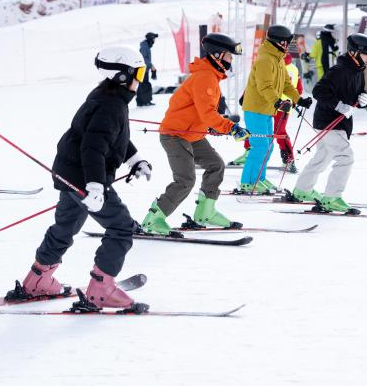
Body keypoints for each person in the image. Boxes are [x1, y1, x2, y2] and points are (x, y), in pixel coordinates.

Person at [16, 45, 153, 310]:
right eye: (139, 72)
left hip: (70, 174)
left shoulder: (108, 96)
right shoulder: (111, 105)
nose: (142, 78)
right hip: (84, 177)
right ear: (122, 76)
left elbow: (114, 137)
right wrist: (95, 186)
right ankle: (101, 289)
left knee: (65, 227)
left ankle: (37, 279)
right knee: (121, 227)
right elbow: (93, 148)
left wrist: (134, 159)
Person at [140, 33, 249, 234]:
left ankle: (205, 211)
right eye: (229, 56)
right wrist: (229, 128)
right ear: (217, 55)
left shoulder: (212, 77)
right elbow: (207, 113)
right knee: (185, 179)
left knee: (216, 165)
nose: (231, 60)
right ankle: (153, 219)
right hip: (175, 135)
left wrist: (212, 127)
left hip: (193, 135)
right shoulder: (205, 77)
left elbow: (202, 113)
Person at [290, 33, 367, 214]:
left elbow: (356, 96)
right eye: (365, 54)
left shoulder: (357, 72)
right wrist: (339, 106)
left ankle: (302, 189)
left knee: (323, 157)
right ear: (354, 53)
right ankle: (332, 198)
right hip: (329, 122)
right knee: (345, 158)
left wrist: (363, 99)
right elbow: (318, 91)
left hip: (338, 123)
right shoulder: (339, 70)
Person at [239, 25, 312, 193]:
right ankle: (248, 182)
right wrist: (278, 102)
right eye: (287, 42)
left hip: (266, 110)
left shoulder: (278, 58)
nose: (288, 45)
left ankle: (259, 179)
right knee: (259, 146)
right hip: (255, 109)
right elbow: (264, 86)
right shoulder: (266, 59)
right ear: (279, 42)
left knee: (268, 146)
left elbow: (286, 84)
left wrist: (298, 100)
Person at [136, 32, 158, 107]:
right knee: (145, 85)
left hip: (143, 68)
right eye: (154, 39)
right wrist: (151, 66)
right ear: (150, 39)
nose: (154, 41)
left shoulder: (146, 46)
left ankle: (141, 102)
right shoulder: (145, 47)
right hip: (142, 69)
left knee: (142, 85)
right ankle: (145, 101)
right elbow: (143, 58)